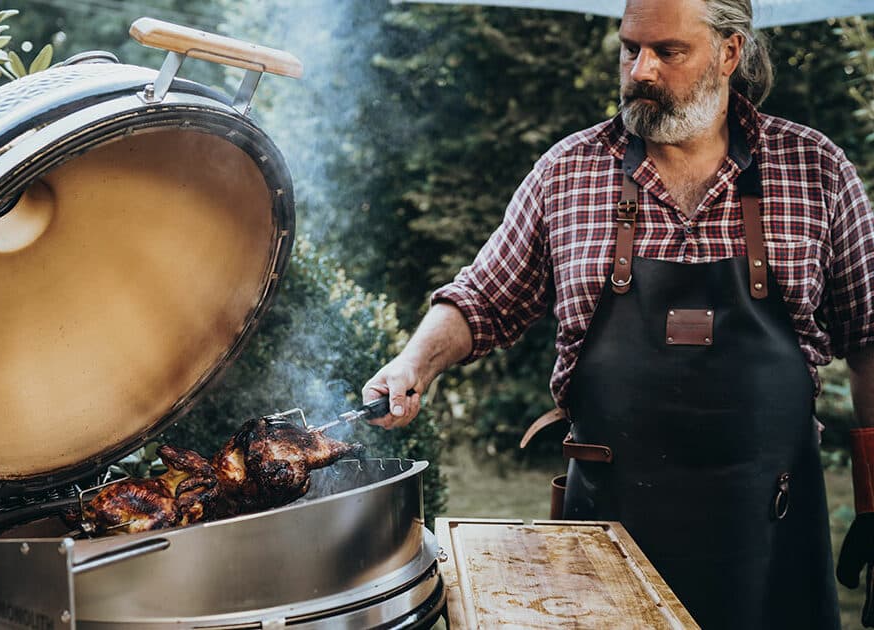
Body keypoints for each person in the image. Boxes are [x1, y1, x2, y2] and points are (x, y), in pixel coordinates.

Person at [363, 0, 874, 627]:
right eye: (630, 49)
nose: (641, 70)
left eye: (669, 51)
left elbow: (869, 338)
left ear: (730, 52)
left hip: (772, 532)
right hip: (607, 536)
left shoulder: (815, 170)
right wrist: (413, 362)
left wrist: (873, 501)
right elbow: (481, 299)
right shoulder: (569, 171)